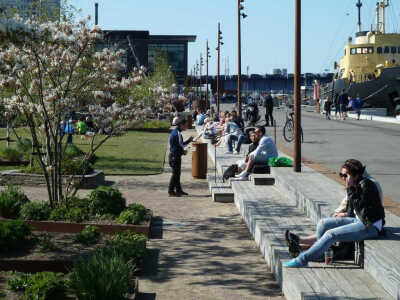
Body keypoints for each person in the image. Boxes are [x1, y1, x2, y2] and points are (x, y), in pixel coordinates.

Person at [284, 159, 385, 268]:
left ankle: (302, 259)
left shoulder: (367, 186)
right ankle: (319, 253)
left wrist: (350, 189)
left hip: (370, 226)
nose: (343, 178)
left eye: (346, 175)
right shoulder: (355, 185)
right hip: (360, 220)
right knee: (323, 223)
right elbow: (353, 211)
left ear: (355, 175)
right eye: (341, 174)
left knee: (331, 234)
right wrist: (345, 213)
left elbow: (364, 212)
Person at [168, 118, 194, 197]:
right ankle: (171, 191)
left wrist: (189, 141)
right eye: (185, 125)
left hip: (175, 156)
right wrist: (183, 152)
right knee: (175, 174)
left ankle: (178, 190)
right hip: (175, 156)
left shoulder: (176, 132)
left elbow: (180, 145)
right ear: (181, 125)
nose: (187, 126)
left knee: (177, 174)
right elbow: (178, 147)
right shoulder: (177, 134)